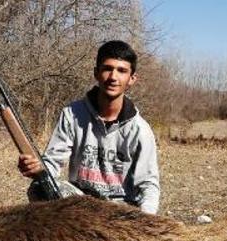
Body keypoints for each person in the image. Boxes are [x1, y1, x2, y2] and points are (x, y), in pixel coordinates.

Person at [18, 40, 160, 214]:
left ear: (132, 79)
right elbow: (52, 163)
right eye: (107, 68)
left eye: (121, 71)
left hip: (120, 210)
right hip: (81, 204)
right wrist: (38, 169)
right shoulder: (72, 114)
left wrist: (146, 222)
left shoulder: (140, 130)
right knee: (39, 187)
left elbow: (148, 185)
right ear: (96, 73)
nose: (113, 77)